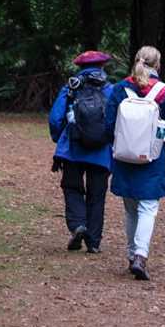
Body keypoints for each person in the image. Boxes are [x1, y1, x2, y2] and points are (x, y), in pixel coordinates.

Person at [105, 46, 165, 281]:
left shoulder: (119, 89)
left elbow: (108, 125)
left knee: (130, 208)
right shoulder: (164, 93)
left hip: (124, 157)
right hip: (152, 159)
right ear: (158, 65)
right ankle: (140, 255)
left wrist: (120, 146)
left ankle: (131, 255)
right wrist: (158, 151)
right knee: (148, 207)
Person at [48, 50, 115, 253]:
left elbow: (55, 118)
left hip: (73, 149)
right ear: (102, 66)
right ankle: (93, 242)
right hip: (101, 151)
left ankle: (78, 225)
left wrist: (59, 137)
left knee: (72, 188)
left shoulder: (70, 87)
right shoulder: (111, 90)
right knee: (97, 195)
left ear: (79, 67)